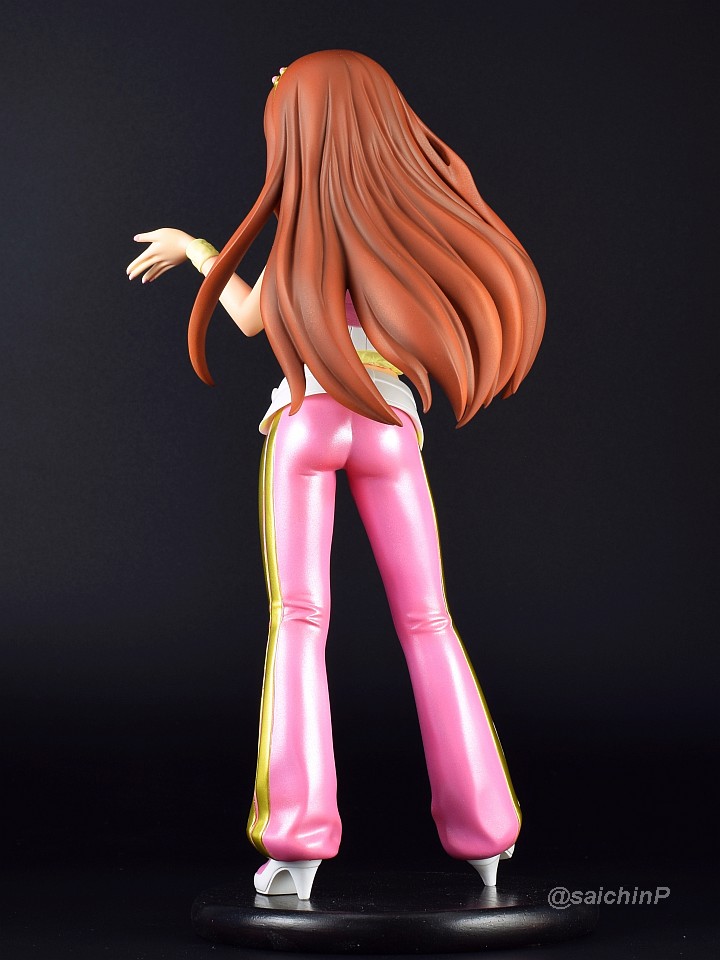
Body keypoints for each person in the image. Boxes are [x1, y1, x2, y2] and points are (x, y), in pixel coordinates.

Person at [127, 50, 545, 900]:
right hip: (390, 428)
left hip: (308, 420)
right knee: (429, 621)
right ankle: (487, 838)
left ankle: (298, 847)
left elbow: (250, 319)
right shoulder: (407, 231)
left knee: (300, 622)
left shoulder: (301, 240)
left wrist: (199, 250)